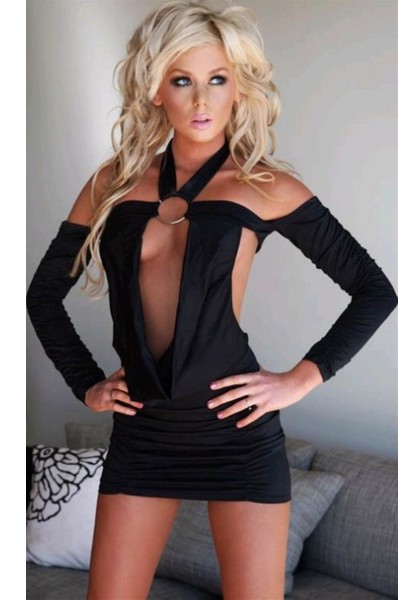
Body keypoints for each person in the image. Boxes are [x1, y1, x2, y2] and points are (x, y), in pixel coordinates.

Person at [26, 1, 398, 598]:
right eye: (183, 81)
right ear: (156, 90)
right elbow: (44, 294)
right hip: (143, 432)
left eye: (217, 79)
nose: (201, 100)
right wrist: (86, 383)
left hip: (237, 433)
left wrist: (297, 380)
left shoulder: (265, 186)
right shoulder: (111, 184)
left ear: (238, 88)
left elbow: (375, 290)